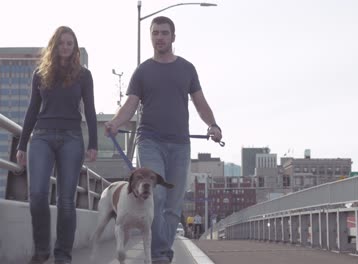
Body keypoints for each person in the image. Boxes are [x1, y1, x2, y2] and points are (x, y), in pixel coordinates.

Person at [104, 16, 222, 264]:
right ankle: (158, 255)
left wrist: (212, 125)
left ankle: (162, 253)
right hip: (150, 141)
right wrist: (115, 123)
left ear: (173, 37)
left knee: (172, 203)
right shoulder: (143, 71)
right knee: (155, 195)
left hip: (180, 144)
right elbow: (130, 105)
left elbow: (200, 103)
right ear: (151, 37)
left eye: (164, 33)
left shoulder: (187, 68)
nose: (159, 37)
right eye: (155, 33)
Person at [16, 26, 98, 264]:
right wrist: (22, 143)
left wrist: (93, 142)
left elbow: (90, 111)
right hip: (41, 136)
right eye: (61, 42)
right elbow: (32, 109)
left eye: (70, 43)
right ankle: (42, 250)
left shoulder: (84, 75)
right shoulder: (40, 74)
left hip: (72, 138)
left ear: (74, 47)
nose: (65, 47)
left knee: (66, 201)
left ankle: (63, 255)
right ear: (55, 45)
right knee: (38, 194)